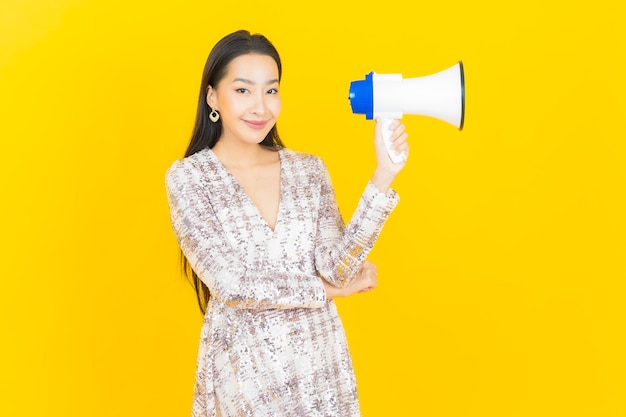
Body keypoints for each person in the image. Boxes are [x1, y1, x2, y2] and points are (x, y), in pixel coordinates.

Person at [165, 29, 409, 417]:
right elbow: (232, 285)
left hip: (319, 366)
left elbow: (337, 267)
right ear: (213, 96)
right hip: (245, 372)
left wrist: (383, 174)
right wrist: (329, 292)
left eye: (271, 90)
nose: (260, 106)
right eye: (243, 90)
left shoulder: (308, 170)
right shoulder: (189, 179)